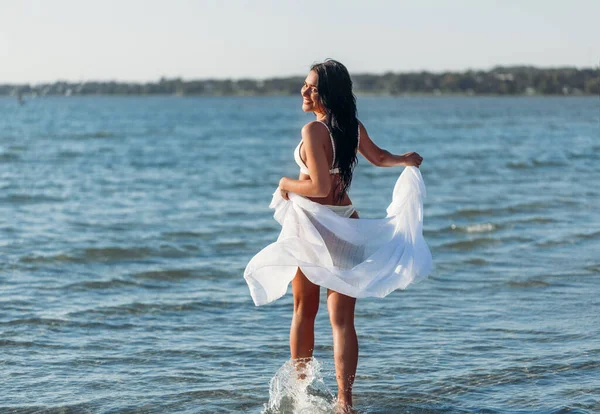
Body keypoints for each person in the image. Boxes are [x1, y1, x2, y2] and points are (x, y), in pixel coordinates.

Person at [245, 59, 426, 412]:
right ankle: (345, 403)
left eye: (311, 87)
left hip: (315, 227)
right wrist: (405, 159)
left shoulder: (313, 131)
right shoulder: (350, 128)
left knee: (304, 310)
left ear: (327, 93)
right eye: (305, 84)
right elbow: (378, 157)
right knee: (342, 321)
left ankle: (299, 396)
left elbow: (319, 185)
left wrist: (284, 183)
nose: (304, 91)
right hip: (347, 222)